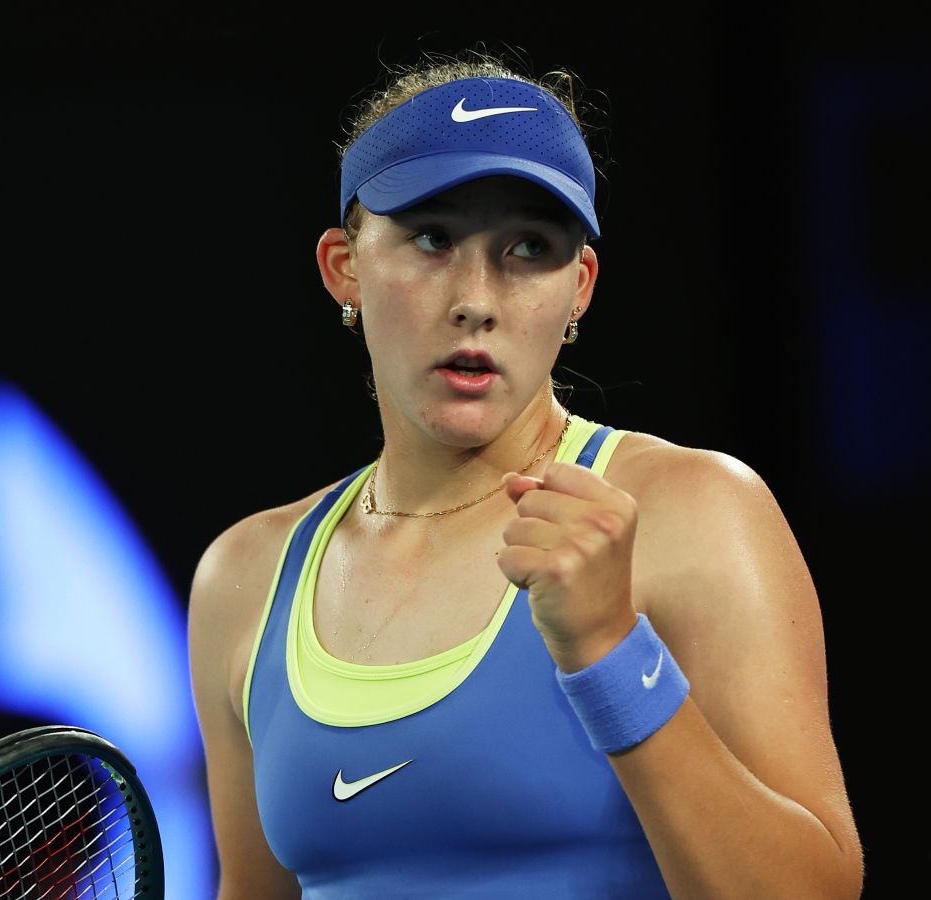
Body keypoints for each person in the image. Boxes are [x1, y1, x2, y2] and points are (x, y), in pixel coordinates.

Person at [188, 51, 863, 899]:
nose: (476, 298)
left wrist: (609, 650)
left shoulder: (696, 512)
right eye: (432, 238)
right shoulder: (244, 578)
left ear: (580, 288)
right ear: (343, 267)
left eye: (528, 248)